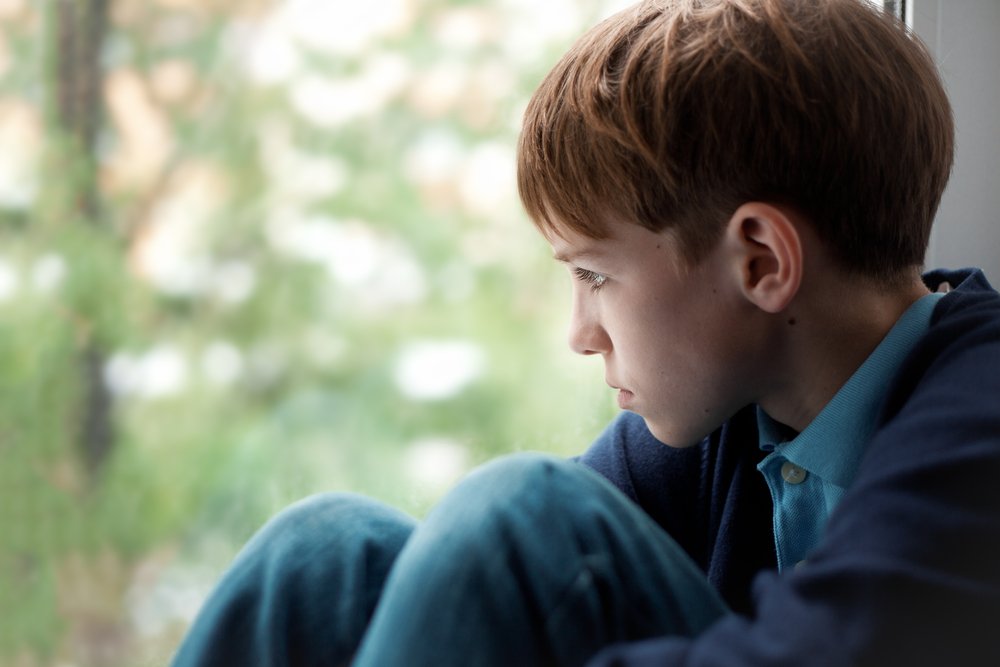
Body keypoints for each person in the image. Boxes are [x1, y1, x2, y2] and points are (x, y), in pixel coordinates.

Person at [170, 0, 1000, 665]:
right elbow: (486, 591)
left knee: (521, 510)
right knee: (324, 555)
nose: (581, 334)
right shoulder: (731, 409)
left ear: (758, 261)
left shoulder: (979, 407)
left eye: (595, 276)